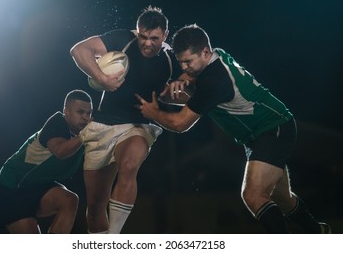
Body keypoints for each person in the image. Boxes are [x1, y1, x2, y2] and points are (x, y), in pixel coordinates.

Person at [135, 24, 331, 234]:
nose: (183, 67)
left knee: (253, 196)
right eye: (181, 62)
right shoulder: (216, 55)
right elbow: (196, 95)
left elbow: (180, 123)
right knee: (283, 199)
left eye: (188, 62)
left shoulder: (214, 81)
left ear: (205, 52)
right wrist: (175, 86)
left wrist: (153, 113)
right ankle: (319, 233)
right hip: (260, 133)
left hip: (273, 129)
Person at [70, 6, 181, 234]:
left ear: (165, 35)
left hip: (139, 126)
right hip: (103, 124)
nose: (147, 43)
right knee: (95, 207)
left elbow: (187, 95)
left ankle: (115, 239)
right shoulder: (122, 38)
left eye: (154, 38)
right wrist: (101, 77)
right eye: (142, 36)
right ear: (136, 31)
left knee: (129, 165)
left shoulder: (171, 57)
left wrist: (175, 94)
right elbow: (79, 50)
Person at [0, 89, 93, 233]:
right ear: (66, 111)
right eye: (80, 112)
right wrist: (84, 135)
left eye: (89, 113)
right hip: (12, 189)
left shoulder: (84, 135)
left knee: (70, 200)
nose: (85, 118)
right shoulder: (57, 122)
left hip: (39, 186)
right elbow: (60, 152)